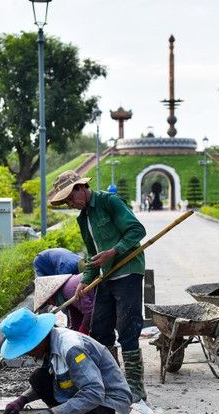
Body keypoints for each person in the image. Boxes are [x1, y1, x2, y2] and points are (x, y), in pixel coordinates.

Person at [49, 170, 148, 402]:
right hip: (105, 277)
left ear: (81, 188)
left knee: (128, 331)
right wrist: (85, 280)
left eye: (71, 198)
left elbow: (137, 230)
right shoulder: (83, 218)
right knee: (100, 331)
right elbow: (93, 254)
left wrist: (114, 251)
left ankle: (135, 387)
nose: (71, 204)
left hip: (127, 272)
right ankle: (112, 382)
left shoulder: (108, 202)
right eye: (66, 202)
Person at [0, 308, 133, 414]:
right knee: (38, 378)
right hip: (86, 396)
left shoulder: (72, 349)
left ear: (39, 338)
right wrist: (21, 401)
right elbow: (55, 379)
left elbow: (94, 394)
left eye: (27, 349)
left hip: (109, 404)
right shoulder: (50, 346)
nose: (28, 354)